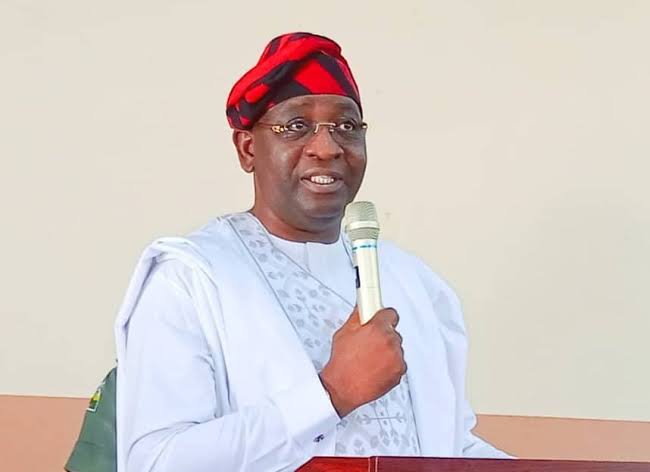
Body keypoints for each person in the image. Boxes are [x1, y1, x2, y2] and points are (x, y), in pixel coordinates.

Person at [115, 32, 511, 472]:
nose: (327, 148)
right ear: (248, 148)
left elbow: (446, 446)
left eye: (346, 127)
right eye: (296, 126)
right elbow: (159, 461)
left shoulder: (415, 282)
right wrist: (331, 393)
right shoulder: (191, 278)